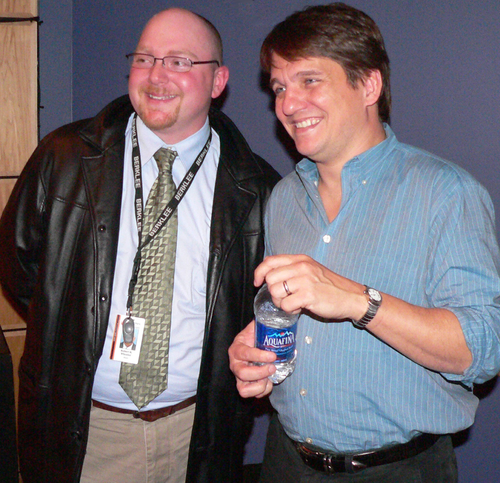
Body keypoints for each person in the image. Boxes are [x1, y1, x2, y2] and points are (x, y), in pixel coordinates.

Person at [0, 7, 279, 483]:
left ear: (218, 81)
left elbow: (260, 311)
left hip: (197, 437)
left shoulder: (256, 190)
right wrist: (68, 324)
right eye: (145, 58)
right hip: (83, 432)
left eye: (179, 61)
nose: (156, 75)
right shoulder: (63, 159)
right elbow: (18, 266)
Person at [228, 3, 500, 482]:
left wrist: (357, 300)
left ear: (369, 85)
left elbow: (483, 350)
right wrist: (258, 351)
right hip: (285, 460)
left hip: (398, 469)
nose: (287, 104)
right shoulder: (284, 197)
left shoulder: (446, 193)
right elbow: (289, 317)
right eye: (280, 87)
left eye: (310, 80)